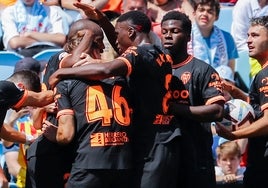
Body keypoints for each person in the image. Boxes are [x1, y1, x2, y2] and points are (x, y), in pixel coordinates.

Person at [49, 9, 181, 188]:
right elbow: (118, 55)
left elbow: (107, 70)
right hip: (157, 138)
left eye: (118, 34)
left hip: (152, 140)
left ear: (132, 33)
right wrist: (102, 20)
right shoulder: (159, 53)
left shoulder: (139, 53)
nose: (114, 41)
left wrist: (62, 72)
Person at [25, 19, 105, 188]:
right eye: (98, 42)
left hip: (63, 146)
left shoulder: (67, 72)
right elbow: (76, 58)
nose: (103, 48)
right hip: (50, 149)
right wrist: (90, 34)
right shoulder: (62, 57)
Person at [160, 10, 225, 188]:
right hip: (162, 157)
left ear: (188, 37)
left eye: (174, 31)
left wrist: (173, 108)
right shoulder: (153, 67)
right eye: (164, 31)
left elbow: (217, 111)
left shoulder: (202, 70)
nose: (168, 36)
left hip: (195, 156)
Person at [216, 15, 268, 188]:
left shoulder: (265, 76)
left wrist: (233, 135)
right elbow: (258, 109)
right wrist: (235, 91)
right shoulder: (262, 74)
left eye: (255, 35)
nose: (248, 41)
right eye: (247, 35)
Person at [0, 70, 54, 187]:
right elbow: (41, 99)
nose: (19, 109)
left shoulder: (2, 101)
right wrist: (67, 85)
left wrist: (30, 139)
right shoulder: (5, 88)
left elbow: (4, 132)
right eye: (24, 104)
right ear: (20, 87)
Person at [1, 0, 66, 57]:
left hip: (49, 51)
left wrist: (30, 34)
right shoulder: (9, 12)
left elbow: (61, 39)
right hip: (22, 54)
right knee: (27, 64)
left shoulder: (51, 11)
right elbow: (15, 42)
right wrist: (47, 38)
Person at [190, 0, 238, 71]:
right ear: (194, 13)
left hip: (220, 80)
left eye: (210, 11)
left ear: (216, 17)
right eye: (201, 10)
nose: (205, 14)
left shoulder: (227, 38)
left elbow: (230, 71)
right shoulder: (185, 37)